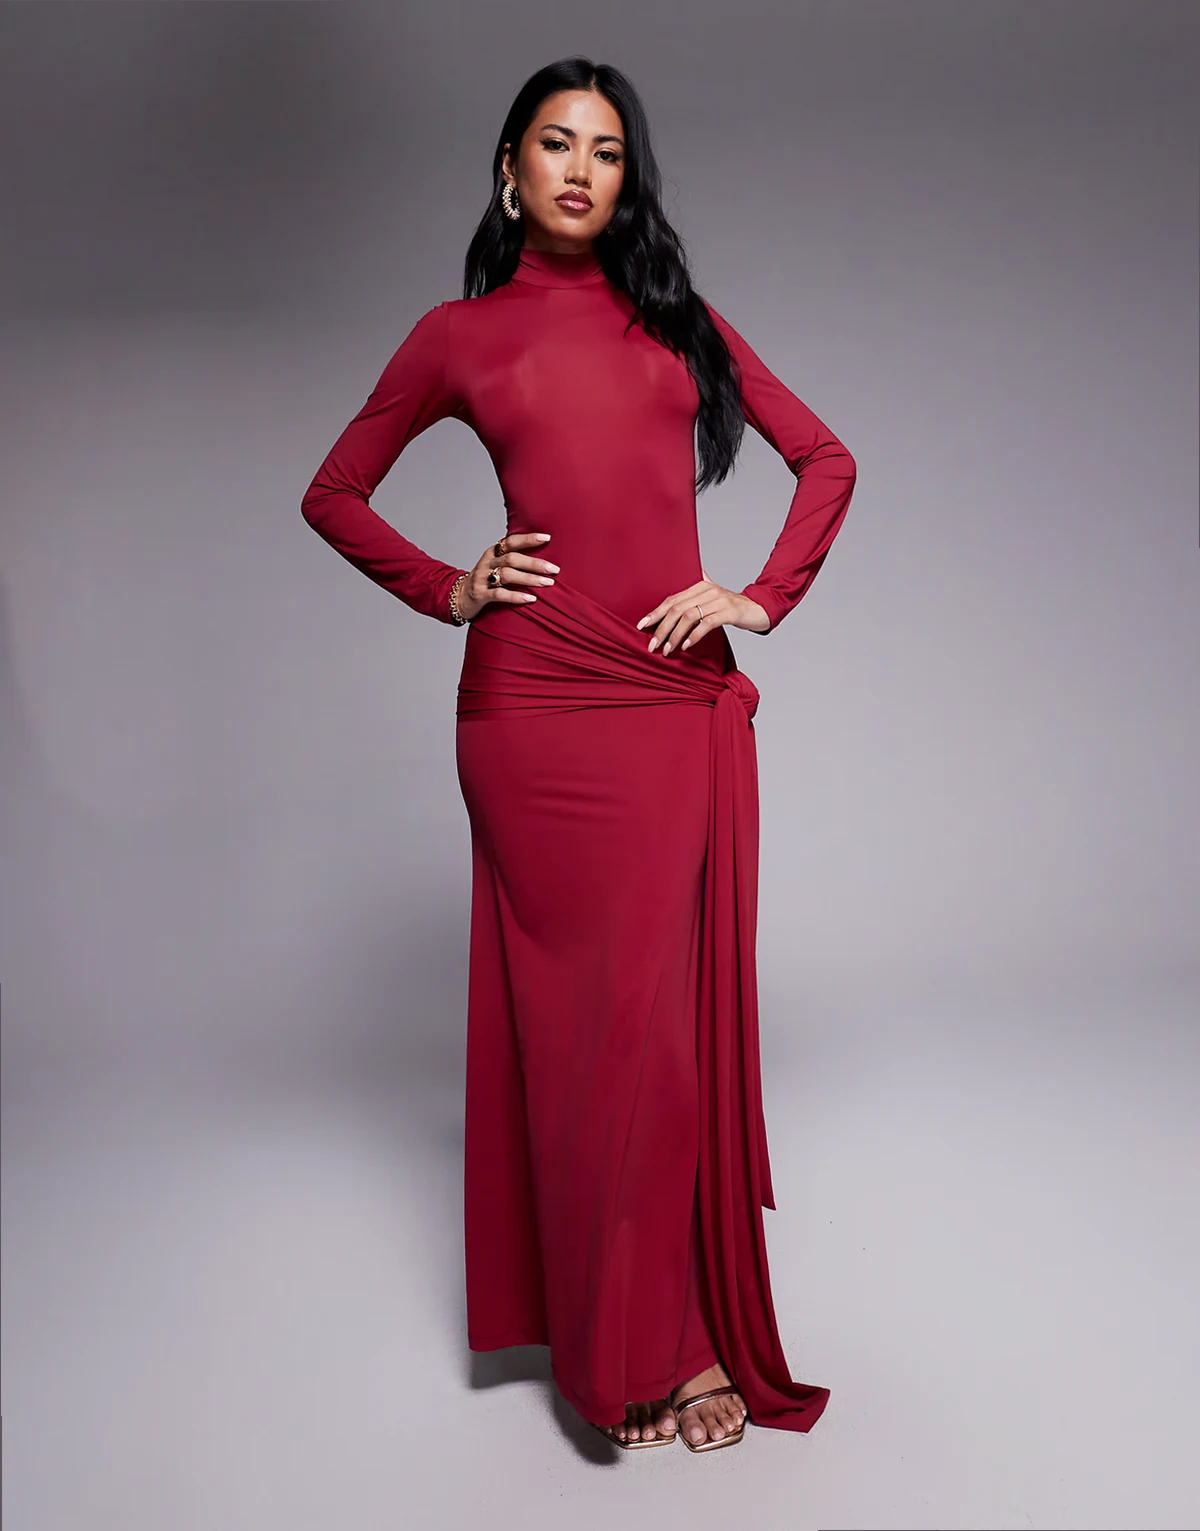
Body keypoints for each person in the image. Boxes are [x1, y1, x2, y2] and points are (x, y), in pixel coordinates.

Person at [300, 56, 857, 1453]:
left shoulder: (680, 323)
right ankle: (634, 1347)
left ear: (628, 183)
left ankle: (666, 1333)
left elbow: (827, 459)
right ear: (509, 170)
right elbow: (334, 491)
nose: (580, 170)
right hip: (531, 705)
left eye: (607, 152)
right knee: (579, 1034)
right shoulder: (456, 336)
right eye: (555, 144)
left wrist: (759, 597)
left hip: (666, 699)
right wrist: (450, 586)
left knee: (653, 1036)